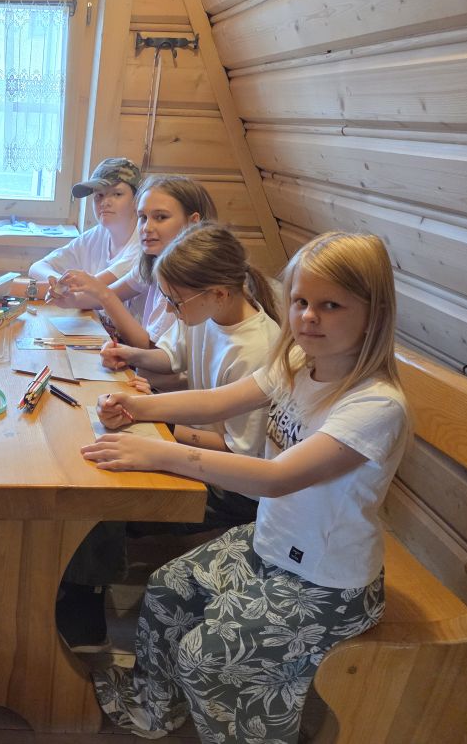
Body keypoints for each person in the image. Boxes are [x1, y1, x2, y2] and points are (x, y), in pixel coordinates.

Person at [82, 232, 409, 742]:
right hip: (270, 544)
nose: (308, 317)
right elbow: (218, 401)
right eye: (300, 301)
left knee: (205, 659)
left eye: (331, 305)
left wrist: (158, 451)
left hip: (327, 585)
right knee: (168, 588)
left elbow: (276, 478)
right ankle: (155, 708)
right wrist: (138, 407)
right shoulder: (297, 364)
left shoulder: (375, 406)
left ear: (374, 314)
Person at [57, 222, 281, 653]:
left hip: (235, 485)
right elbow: (175, 359)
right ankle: (73, 577)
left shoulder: (254, 348)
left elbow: (239, 452)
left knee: (108, 487)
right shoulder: (205, 312)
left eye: (176, 302)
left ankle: (86, 598)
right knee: (97, 449)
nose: (172, 311)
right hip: (200, 444)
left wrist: (162, 434)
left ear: (219, 293)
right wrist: (131, 358)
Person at [48, 175, 218, 364]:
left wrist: (103, 293)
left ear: (193, 222)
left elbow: (148, 346)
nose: (147, 228)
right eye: (143, 217)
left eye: (161, 217)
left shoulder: (185, 280)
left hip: (155, 378)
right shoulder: (150, 261)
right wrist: (70, 299)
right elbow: (104, 296)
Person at [28, 157, 143, 294]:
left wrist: (63, 287)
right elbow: (37, 267)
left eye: (117, 194)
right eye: (99, 195)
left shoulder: (143, 245)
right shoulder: (98, 234)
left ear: (138, 199)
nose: (105, 202)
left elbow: (92, 290)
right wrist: (57, 280)